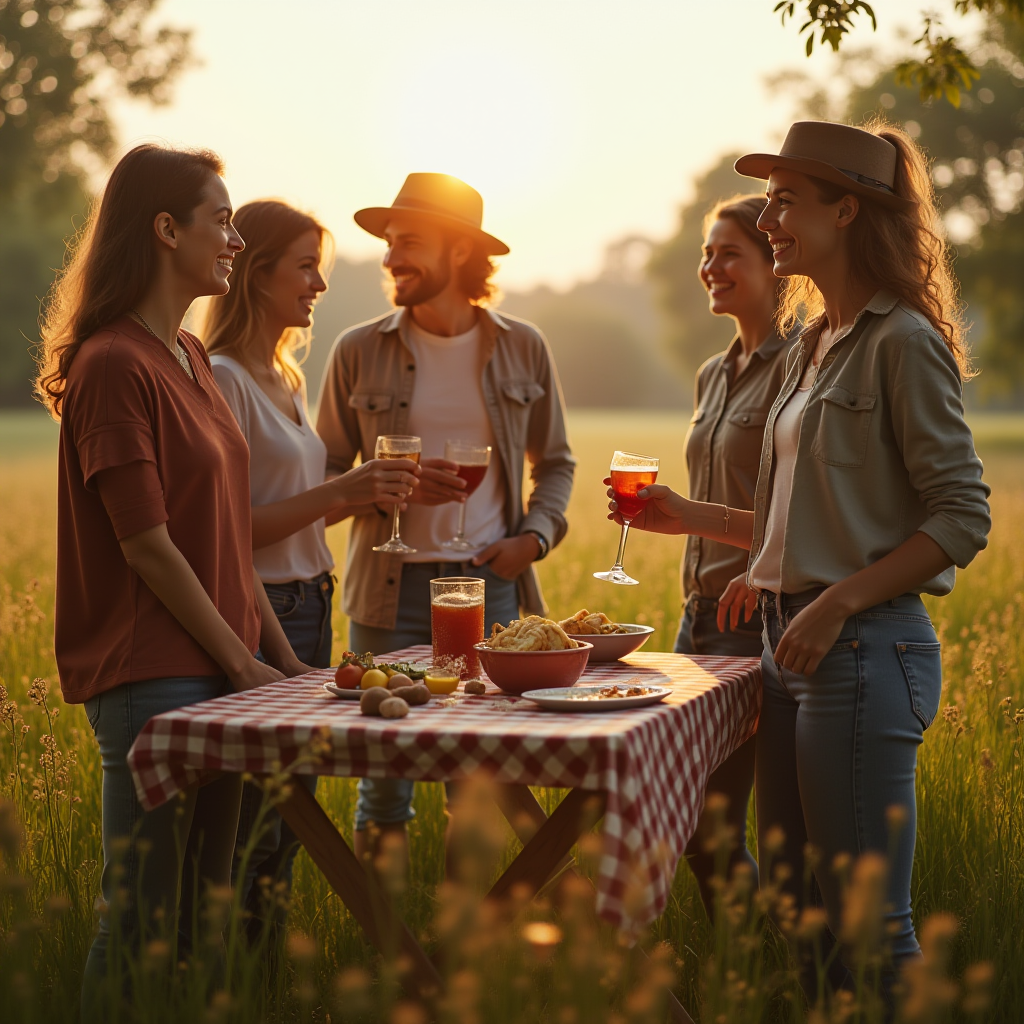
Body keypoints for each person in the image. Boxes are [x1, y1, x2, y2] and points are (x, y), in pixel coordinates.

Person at [611, 121, 991, 1000]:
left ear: (847, 210)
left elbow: (962, 515)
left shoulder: (902, 341)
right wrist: (761, 562)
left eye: (787, 199)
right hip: (786, 647)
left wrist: (834, 601)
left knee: (867, 920)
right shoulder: (813, 343)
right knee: (795, 906)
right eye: (770, 199)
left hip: (859, 652)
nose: (771, 216)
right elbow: (805, 508)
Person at [35, 146, 312, 1001]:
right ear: (165, 230)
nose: (233, 239)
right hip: (153, 675)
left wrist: (287, 668)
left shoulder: (192, 359)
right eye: (220, 220)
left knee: (203, 918)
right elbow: (147, 543)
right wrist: (241, 662)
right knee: (142, 921)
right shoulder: (113, 365)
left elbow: (224, 540)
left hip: (222, 672)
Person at [317, 172, 575, 866]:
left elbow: (556, 464)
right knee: (385, 778)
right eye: (389, 242)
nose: (391, 256)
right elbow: (324, 476)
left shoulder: (523, 347)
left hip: (488, 588)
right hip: (386, 590)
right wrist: (377, 490)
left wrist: (534, 538)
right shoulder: (356, 350)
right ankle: (383, 925)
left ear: (461, 253)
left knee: (482, 779)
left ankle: (470, 935)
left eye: (409, 242)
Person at [200, 200, 421, 935]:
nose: (319, 285)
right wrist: (345, 490)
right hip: (263, 610)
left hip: (312, 602)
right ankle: (230, 972)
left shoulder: (288, 378)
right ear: (257, 275)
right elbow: (227, 531)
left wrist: (356, 499)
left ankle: (260, 975)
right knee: (259, 816)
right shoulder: (225, 377)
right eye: (305, 267)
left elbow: (298, 512)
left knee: (291, 813)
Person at [677, 194, 795, 918]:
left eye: (729, 254)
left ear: (775, 266)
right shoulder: (713, 373)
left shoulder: (799, 369)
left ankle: (768, 972)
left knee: (722, 823)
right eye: (707, 252)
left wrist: (688, 515)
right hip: (697, 617)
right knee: (698, 824)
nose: (710, 267)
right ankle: (752, 962)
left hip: (756, 620)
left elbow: (801, 519)